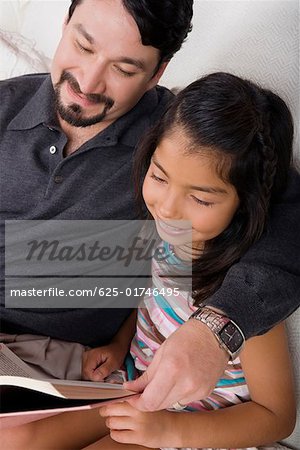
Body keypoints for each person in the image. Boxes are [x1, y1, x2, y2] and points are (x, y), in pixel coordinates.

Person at [0, 0, 299, 446]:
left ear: (158, 73)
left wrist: (218, 329)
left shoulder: (178, 141)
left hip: (55, 358)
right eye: (82, 45)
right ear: (64, 25)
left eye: (124, 68)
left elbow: (282, 213)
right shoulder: (7, 104)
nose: (88, 81)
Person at [81, 71, 297, 450]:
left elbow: (276, 416)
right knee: (19, 435)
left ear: (245, 204)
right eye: (160, 177)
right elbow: (155, 302)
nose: (167, 208)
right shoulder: (173, 237)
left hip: (193, 427)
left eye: (200, 199)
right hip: (134, 387)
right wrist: (119, 344)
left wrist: (169, 431)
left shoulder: (247, 292)